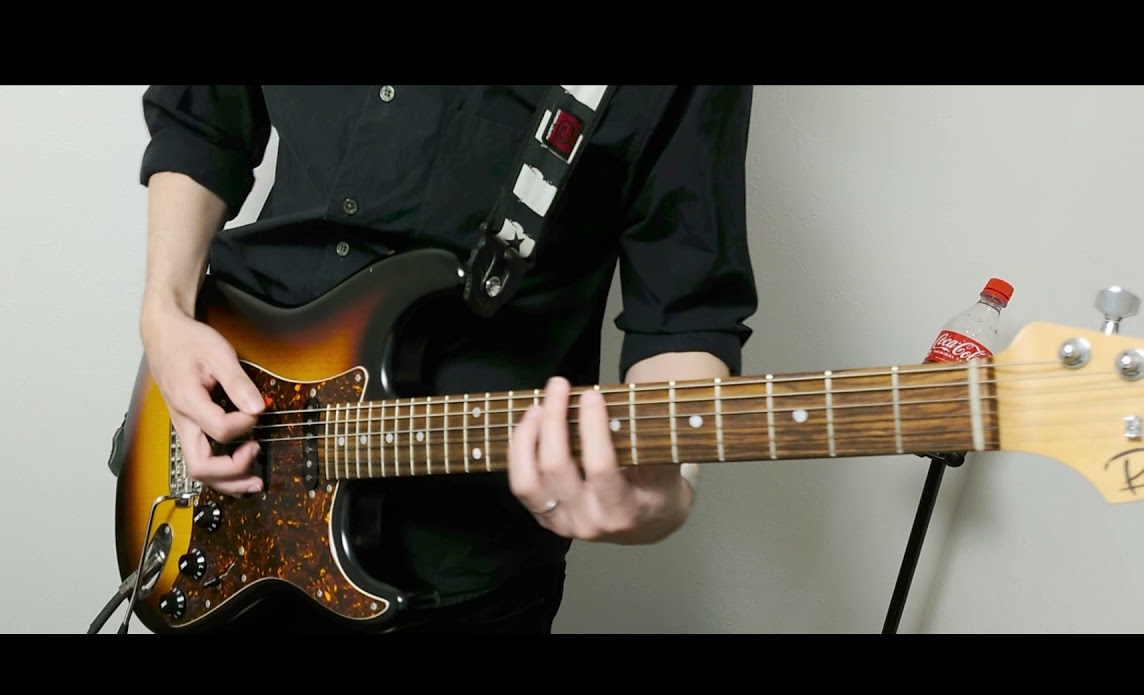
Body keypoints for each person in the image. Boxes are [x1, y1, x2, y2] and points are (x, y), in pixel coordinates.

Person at [136, 85, 758, 633]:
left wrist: (662, 496)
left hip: (458, 567)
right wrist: (164, 314)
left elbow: (683, 310)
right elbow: (202, 120)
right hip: (223, 458)